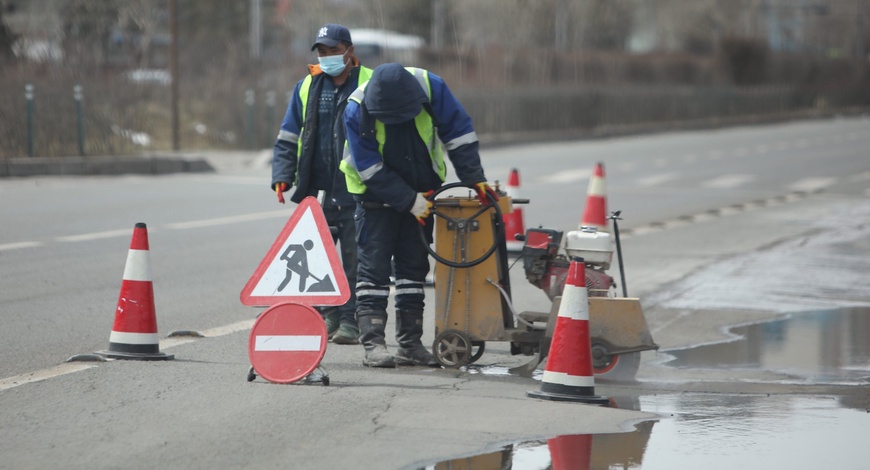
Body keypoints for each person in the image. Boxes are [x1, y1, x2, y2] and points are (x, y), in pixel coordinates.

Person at [340, 63, 499, 368]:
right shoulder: (356, 109)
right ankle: (373, 344)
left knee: (413, 270)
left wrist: (473, 176)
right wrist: (408, 200)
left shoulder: (431, 87)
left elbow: (459, 134)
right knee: (373, 271)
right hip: (375, 199)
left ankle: (410, 344)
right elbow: (369, 167)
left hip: (423, 194)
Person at [272, 24, 372, 345]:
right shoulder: (307, 86)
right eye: (322, 52)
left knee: (354, 261)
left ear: (349, 51)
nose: (327, 57)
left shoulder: (371, 82)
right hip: (318, 190)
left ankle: (350, 321)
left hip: (356, 190)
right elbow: (289, 134)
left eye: (333, 51)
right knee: (318, 261)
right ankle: (327, 315)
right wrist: (282, 174)